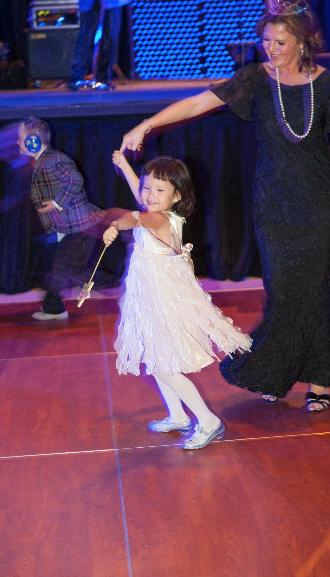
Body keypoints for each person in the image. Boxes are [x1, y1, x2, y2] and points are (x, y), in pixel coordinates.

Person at [118, 0, 330, 413]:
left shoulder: (328, 84)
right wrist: (147, 124)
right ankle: (273, 373)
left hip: (321, 204)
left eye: (280, 43)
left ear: (302, 42)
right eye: (267, 42)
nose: (272, 50)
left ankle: (318, 383)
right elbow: (199, 102)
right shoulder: (255, 79)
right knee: (281, 291)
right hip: (274, 206)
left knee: (319, 292)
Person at [102, 153, 251, 449]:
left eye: (159, 190)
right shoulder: (158, 210)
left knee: (163, 365)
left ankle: (208, 421)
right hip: (152, 301)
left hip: (164, 303)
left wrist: (115, 225)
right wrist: (127, 168)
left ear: (176, 196)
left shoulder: (158, 219)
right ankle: (178, 416)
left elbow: (134, 216)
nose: (149, 195)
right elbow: (140, 199)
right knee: (158, 361)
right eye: (147, 188)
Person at [18, 117, 118, 320]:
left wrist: (56, 203)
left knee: (71, 272)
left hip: (82, 228)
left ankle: (121, 282)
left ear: (33, 141)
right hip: (72, 228)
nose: (17, 143)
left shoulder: (53, 159)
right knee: (61, 271)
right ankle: (53, 308)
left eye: (21, 139)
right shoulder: (43, 161)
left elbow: (75, 179)